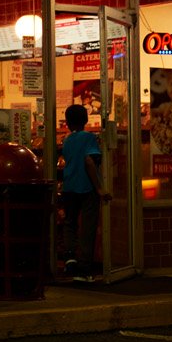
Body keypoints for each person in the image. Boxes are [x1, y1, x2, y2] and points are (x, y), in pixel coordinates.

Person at [59, 102, 110, 281]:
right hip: (86, 187)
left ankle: (70, 260)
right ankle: (84, 268)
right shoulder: (88, 138)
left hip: (69, 186)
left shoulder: (67, 140)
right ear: (86, 120)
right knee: (87, 227)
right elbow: (89, 161)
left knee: (70, 223)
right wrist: (100, 188)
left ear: (67, 122)